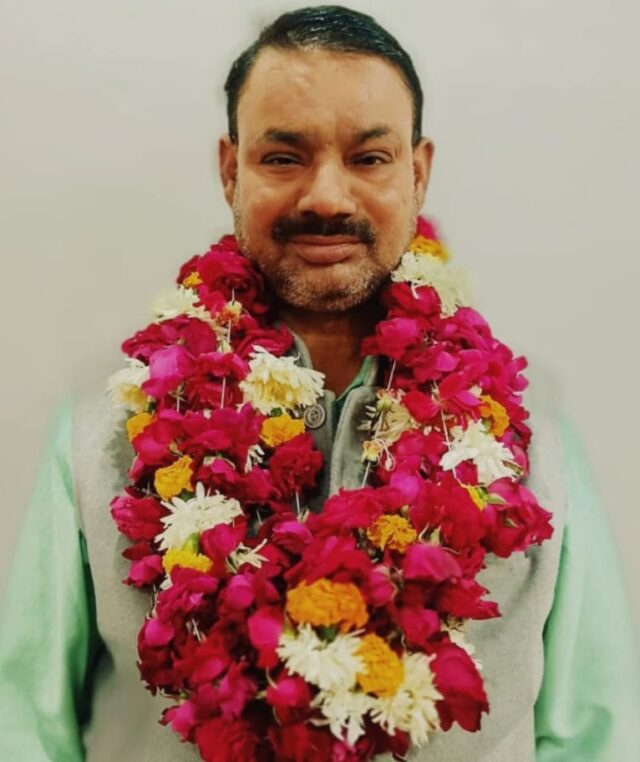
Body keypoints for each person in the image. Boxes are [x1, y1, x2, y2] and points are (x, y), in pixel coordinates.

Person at [1, 5, 639, 761]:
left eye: (369, 158)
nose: (327, 198)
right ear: (231, 169)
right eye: (284, 157)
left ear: (418, 171)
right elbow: (24, 721)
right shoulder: (109, 423)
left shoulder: (528, 433)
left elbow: (600, 732)